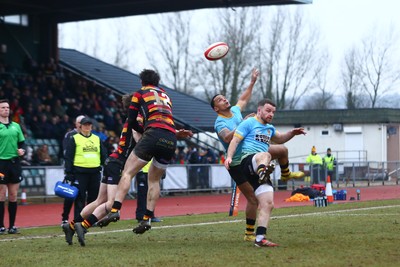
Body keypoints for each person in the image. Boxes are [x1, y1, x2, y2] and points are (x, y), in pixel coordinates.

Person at [211, 69, 304, 242]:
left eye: (224, 97)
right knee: (253, 199)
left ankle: (284, 174)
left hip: (255, 154)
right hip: (238, 162)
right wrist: (243, 125)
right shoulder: (220, 121)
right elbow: (226, 137)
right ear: (216, 108)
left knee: (281, 149)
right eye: (219, 100)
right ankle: (249, 233)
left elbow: (243, 98)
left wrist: (253, 81)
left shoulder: (236, 112)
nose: (224, 99)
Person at [97, 69, 192, 234]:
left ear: (142, 82)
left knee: (127, 172)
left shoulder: (140, 94)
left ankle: (115, 210)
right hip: (170, 138)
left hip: (153, 134)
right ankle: (147, 217)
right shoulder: (166, 96)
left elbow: (132, 119)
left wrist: (143, 129)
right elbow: (165, 120)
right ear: (157, 82)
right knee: (154, 180)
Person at [224, 99, 306, 247]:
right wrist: (229, 157)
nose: (271, 114)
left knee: (267, 203)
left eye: (273, 112)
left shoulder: (269, 128)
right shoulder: (248, 123)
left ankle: (260, 238)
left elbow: (280, 139)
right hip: (248, 161)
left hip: (259, 167)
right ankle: (263, 170)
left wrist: (292, 133)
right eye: (268, 111)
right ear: (259, 110)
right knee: (266, 155)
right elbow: (234, 141)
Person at [64, 94, 137, 246]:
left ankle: (71, 226)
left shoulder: (131, 119)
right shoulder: (136, 120)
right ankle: (83, 226)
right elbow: (140, 139)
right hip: (116, 163)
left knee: (99, 200)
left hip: (111, 162)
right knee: (110, 204)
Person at [63, 116, 107, 242]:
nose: (87, 127)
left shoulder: (97, 139)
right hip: (79, 173)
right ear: (80, 126)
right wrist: (69, 173)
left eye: (89, 125)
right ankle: (78, 224)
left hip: (94, 173)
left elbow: (103, 155)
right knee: (80, 200)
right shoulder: (74, 139)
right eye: (85, 125)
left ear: (91, 127)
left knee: (94, 200)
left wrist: (107, 166)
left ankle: (82, 224)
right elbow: (68, 157)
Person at [0, 99, 26, 234]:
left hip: (14, 163)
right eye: (3, 107)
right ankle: (1, 226)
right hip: (1, 164)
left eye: (7, 107)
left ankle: (12, 226)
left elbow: (22, 143)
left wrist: (22, 150)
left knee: (13, 195)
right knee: (1, 194)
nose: (6, 109)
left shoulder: (16, 126)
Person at [60, 115, 85, 226]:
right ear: (76, 123)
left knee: (81, 195)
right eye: (80, 122)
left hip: (83, 169)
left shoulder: (88, 135)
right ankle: (65, 217)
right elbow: (66, 153)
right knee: (70, 194)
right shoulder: (70, 135)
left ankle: (80, 217)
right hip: (73, 169)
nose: (81, 124)